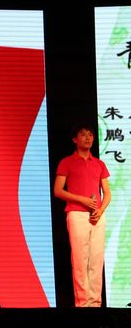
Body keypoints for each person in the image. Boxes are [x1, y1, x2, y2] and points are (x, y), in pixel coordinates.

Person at [53, 124, 111, 307]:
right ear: (74, 139)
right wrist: (82, 199)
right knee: (80, 261)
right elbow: (58, 190)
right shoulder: (67, 162)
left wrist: (100, 211)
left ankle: (95, 304)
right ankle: (82, 305)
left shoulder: (99, 164)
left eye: (90, 134)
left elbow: (107, 193)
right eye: (83, 134)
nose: (88, 137)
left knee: (96, 261)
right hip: (77, 214)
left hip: (97, 216)